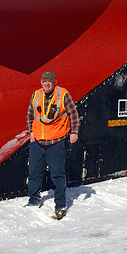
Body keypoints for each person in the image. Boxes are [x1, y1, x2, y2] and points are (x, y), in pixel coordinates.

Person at [25, 70, 79, 216]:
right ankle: (33, 199)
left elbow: (73, 114)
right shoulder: (36, 95)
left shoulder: (62, 95)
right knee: (34, 172)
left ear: (54, 82)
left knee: (57, 174)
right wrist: (31, 132)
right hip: (38, 141)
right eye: (44, 81)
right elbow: (30, 115)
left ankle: (60, 204)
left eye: (49, 81)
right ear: (41, 82)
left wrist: (74, 132)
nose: (46, 83)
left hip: (56, 142)